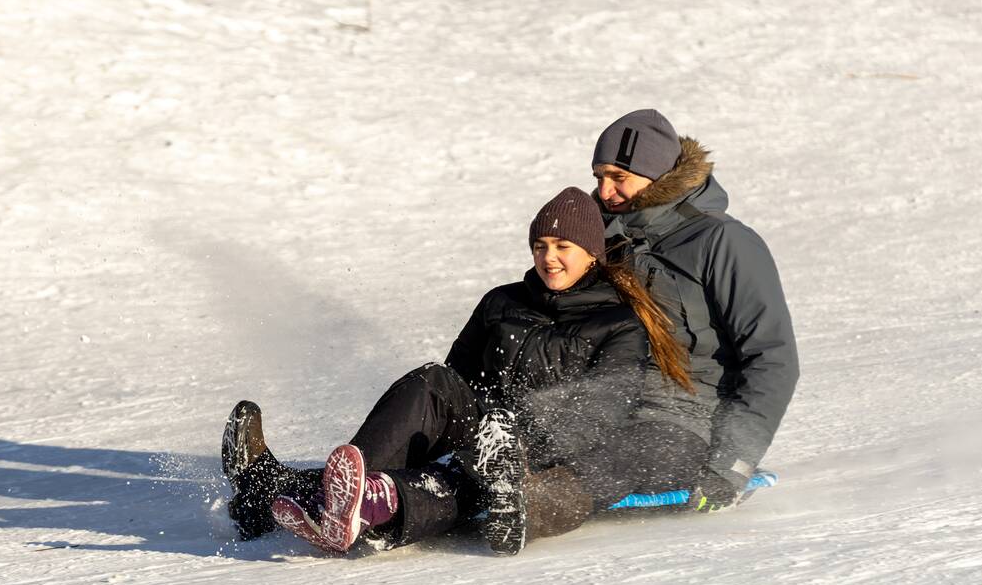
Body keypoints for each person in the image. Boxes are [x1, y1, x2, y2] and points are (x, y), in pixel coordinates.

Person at [221, 187, 693, 555]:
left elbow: (598, 414)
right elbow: (458, 376)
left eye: (563, 246)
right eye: (540, 245)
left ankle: (269, 494)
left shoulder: (618, 324)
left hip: (532, 456)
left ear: (592, 252)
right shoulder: (502, 301)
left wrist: (514, 442)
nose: (549, 257)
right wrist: (468, 427)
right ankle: (345, 490)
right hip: (478, 427)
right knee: (431, 381)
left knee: (467, 474)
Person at [590, 109, 799, 512]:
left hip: (689, 425)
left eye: (619, 178)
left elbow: (772, 359)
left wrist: (730, 464)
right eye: (599, 176)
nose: (604, 191)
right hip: (609, 413)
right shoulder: (602, 238)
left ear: (657, 176)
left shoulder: (724, 242)